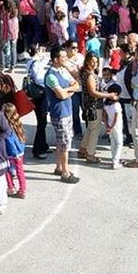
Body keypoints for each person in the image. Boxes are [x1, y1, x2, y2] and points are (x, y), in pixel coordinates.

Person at [45, 45, 81, 183]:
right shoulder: (51, 76)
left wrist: (67, 91)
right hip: (59, 113)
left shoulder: (62, 70)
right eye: (63, 57)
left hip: (66, 110)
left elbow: (76, 84)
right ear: (55, 59)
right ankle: (65, 172)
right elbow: (61, 95)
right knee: (65, 143)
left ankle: (59, 167)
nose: (66, 59)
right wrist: (68, 91)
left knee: (62, 142)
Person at [1, 103, 27, 199]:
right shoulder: (17, 124)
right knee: (20, 171)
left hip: (10, 153)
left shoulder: (7, 128)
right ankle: (22, 189)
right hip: (20, 152)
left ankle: (11, 187)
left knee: (7, 170)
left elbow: (10, 142)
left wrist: (14, 153)